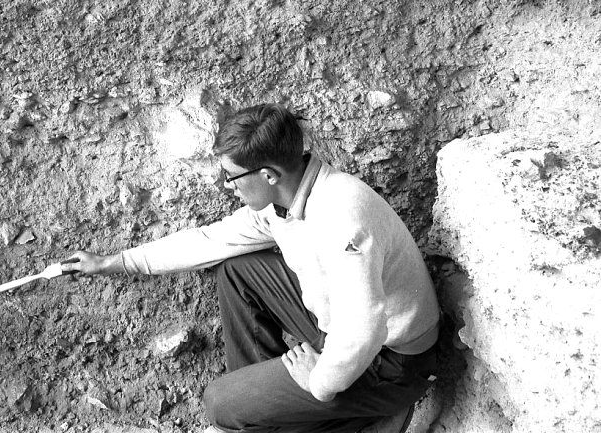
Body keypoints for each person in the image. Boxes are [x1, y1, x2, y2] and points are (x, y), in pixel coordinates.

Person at [63, 103, 440, 433]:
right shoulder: (285, 202)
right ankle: (271, 412)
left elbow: (365, 327)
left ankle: (364, 415)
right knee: (238, 271)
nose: (226, 186)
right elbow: (209, 241)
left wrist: (320, 381)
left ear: (268, 175)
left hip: (390, 361)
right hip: (342, 328)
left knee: (220, 404)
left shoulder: (342, 216)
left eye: (231, 176)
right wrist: (113, 263)